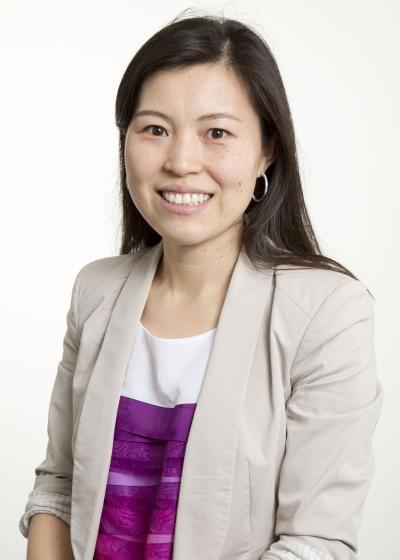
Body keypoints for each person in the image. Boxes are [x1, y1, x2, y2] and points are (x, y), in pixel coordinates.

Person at [19, 10, 383, 560]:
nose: (181, 161)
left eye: (217, 133)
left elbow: (315, 542)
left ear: (267, 150)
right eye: (154, 129)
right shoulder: (95, 291)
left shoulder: (327, 313)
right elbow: (58, 488)